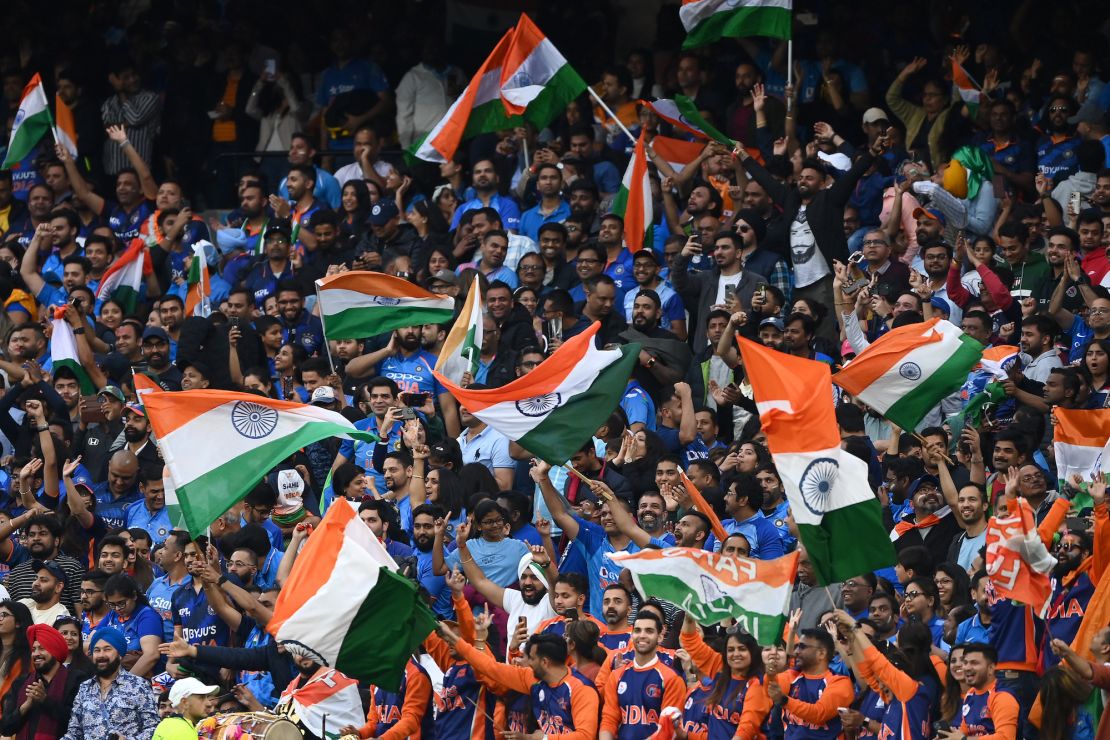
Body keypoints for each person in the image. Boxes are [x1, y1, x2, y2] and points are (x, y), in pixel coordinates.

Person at [438, 625, 601, 739]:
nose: (527, 663)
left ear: (545, 662)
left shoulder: (582, 690)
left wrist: (541, 739)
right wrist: (453, 638)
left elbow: (585, 736)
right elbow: (490, 667)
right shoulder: (532, 679)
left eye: (530, 658)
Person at [63, 626, 160, 740]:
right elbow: (74, 732)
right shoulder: (85, 687)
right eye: (97, 650)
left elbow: (154, 728)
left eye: (107, 649)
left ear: (120, 654)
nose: (101, 655)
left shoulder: (138, 685)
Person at [0, 623, 81, 739]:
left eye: (42, 648)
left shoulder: (76, 680)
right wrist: (24, 707)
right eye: (33, 649)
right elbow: (6, 728)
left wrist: (45, 700)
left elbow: (77, 721)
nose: (36, 654)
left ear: (55, 651)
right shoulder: (21, 682)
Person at [152, 676, 219, 739]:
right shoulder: (180, 730)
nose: (209, 704)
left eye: (207, 698)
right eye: (201, 698)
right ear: (184, 703)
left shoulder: (171, 725)